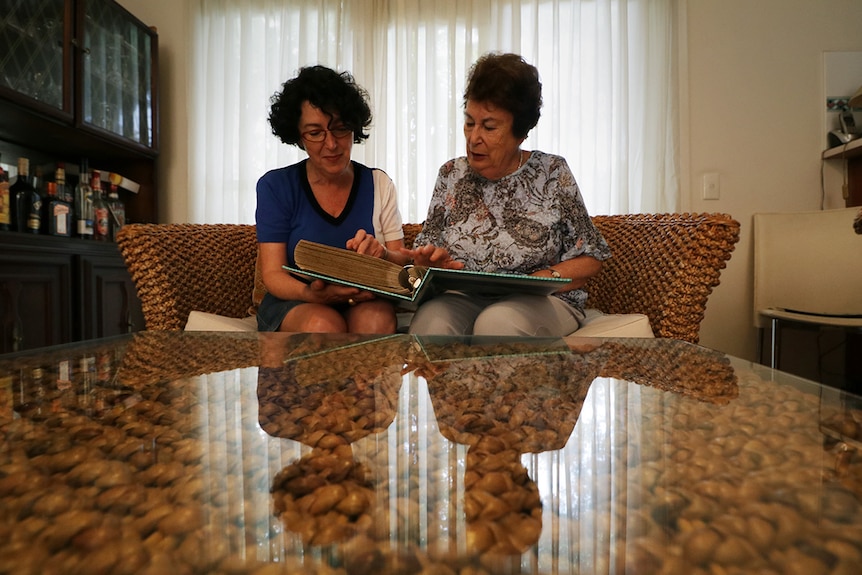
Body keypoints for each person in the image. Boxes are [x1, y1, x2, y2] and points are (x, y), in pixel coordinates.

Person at [407, 52, 611, 337]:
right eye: (469, 122)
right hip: (461, 298)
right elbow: (423, 255)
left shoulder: (552, 172)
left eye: (489, 127)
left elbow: (592, 256)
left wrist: (547, 277)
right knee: (431, 326)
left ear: (521, 132)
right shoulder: (450, 174)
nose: (474, 138)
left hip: (541, 301)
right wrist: (427, 262)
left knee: (496, 325)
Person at [256, 65, 410, 334]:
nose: (331, 144)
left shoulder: (378, 183)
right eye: (315, 133)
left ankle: (369, 378)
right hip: (297, 299)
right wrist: (315, 295)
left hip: (364, 296)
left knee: (376, 322)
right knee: (323, 325)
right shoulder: (275, 186)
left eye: (340, 129)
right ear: (298, 137)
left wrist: (382, 253)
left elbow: (401, 264)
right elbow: (273, 275)